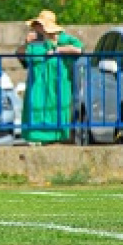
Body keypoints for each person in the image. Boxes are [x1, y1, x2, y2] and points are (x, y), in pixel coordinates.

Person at [17, 9, 83, 144]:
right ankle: (36, 137)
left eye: (40, 25)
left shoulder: (64, 39)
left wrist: (58, 50)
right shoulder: (35, 44)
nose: (37, 28)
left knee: (57, 108)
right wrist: (26, 42)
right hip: (38, 86)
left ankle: (56, 136)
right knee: (36, 108)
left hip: (58, 83)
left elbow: (78, 49)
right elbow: (21, 55)